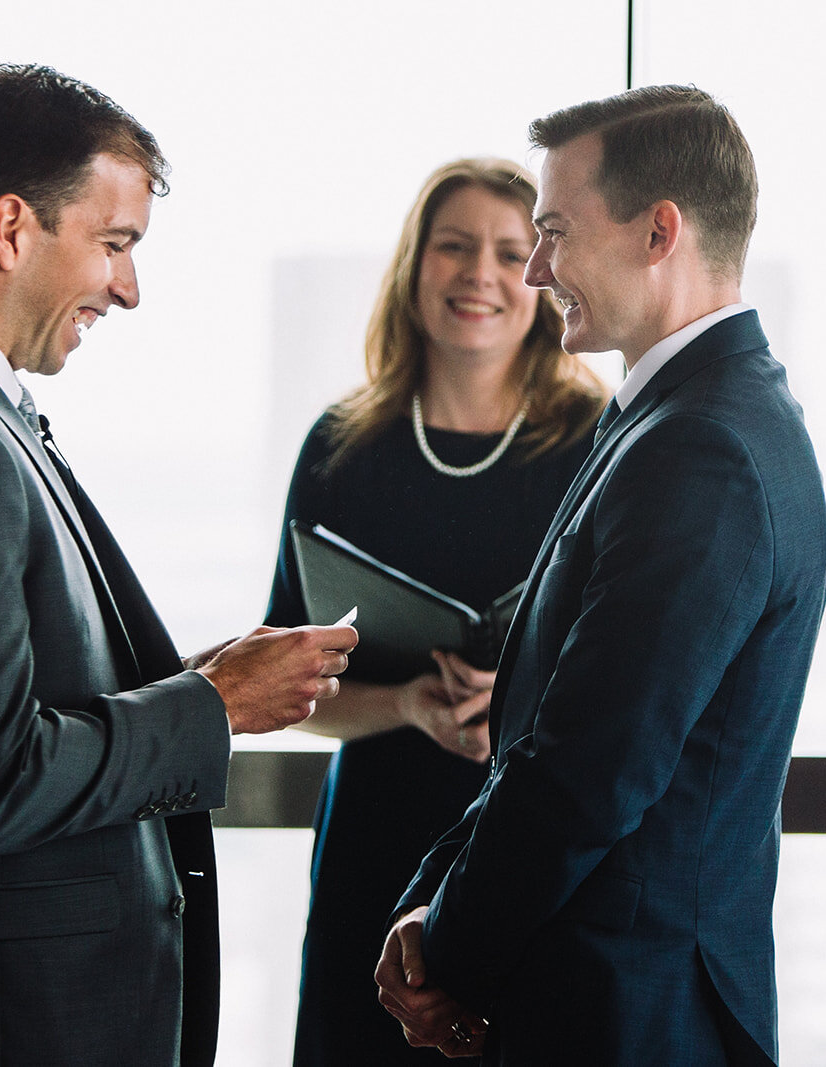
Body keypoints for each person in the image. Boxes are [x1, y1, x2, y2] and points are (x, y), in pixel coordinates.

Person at [0, 65, 356, 1067]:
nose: (128, 289)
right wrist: (210, 705)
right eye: (114, 244)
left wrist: (194, 679)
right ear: (12, 228)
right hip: (2, 1025)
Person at [374, 87, 826, 1064]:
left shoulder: (701, 446)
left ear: (658, 229)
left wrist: (446, 946)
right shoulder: (681, 415)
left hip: (630, 1014)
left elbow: (592, 767)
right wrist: (432, 895)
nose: (537, 270)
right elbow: (547, 735)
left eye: (552, 233)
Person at [265, 158, 608, 1065]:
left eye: (509, 249)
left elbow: (627, 669)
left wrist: (521, 704)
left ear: (540, 275)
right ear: (414, 268)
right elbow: (290, 688)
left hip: (528, 844)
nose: (480, 274)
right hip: (372, 843)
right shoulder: (342, 446)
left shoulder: (594, 441)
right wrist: (408, 702)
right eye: (453, 246)